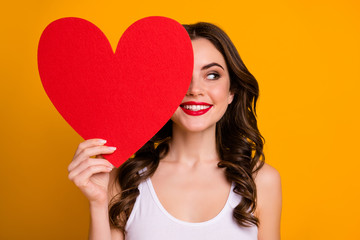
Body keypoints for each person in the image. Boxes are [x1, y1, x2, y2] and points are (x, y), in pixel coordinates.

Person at [67, 22, 282, 240]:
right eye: (179, 75)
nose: (195, 90)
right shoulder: (123, 179)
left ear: (231, 92)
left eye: (212, 75)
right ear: (159, 90)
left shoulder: (262, 181)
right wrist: (98, 203)